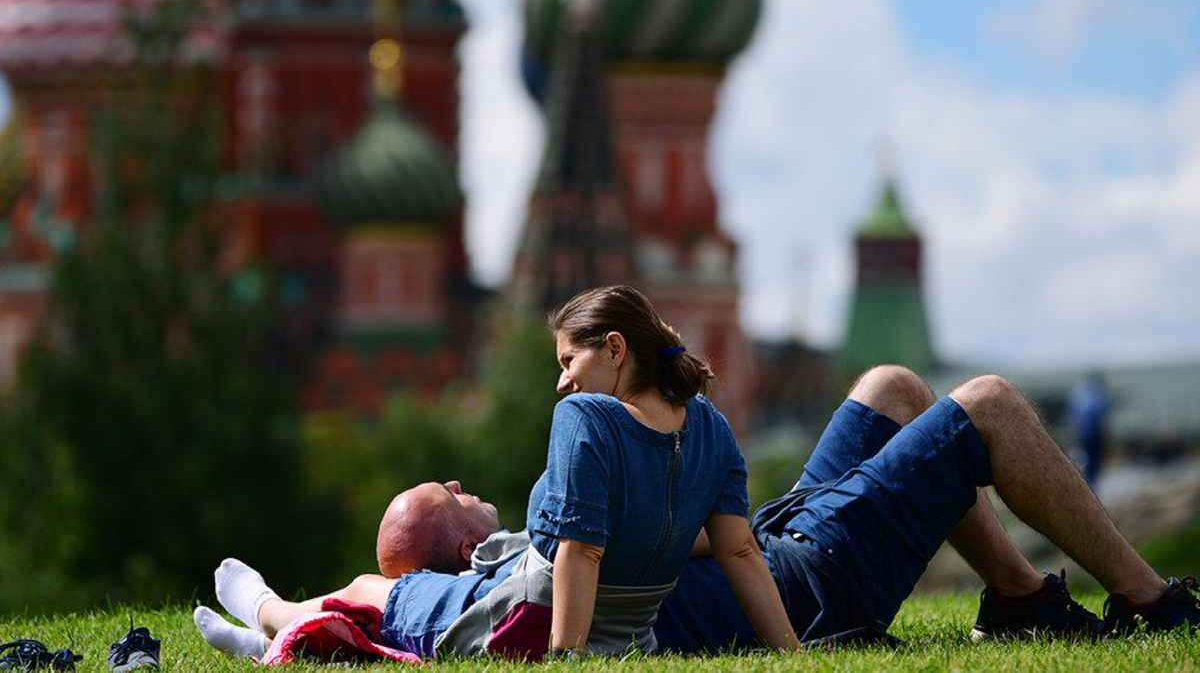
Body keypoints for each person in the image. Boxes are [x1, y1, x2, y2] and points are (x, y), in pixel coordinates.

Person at [197, 364, 1199, 659]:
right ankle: (1154, 603)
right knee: (982, 406)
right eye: (453, 493)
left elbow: (373, 594)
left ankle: (1021, 600)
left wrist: (284, 608)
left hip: (773, 534)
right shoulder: (524, 584)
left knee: (892, 386)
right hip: (817, 571)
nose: (466, 481)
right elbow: (384, 593)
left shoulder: (470, 584)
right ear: (465, 540)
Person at [196, 285, 798, 659]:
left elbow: (581, 553)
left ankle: (267, 611)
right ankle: (273, 639)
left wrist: (565, 657)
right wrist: (790, 654)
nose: (563, 380)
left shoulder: (586, 417)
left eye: (570, 360)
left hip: (527, 616)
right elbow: (741, 552)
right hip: (632, 637)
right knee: (391, 603)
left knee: (377, 595)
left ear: (615, 349)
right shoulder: (713, 428)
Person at [1066, 371, 1111, 487]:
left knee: (1085, 459)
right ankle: (1091, 485)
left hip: (1081, 433)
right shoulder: (1099, 395)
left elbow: (1073, 417)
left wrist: (1073, 434)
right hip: (1094, 434)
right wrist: (1107, 437)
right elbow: (1102, 420)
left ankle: (1084, 484)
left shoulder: (1078, 394)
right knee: (1094, 462)